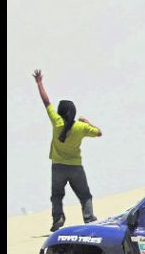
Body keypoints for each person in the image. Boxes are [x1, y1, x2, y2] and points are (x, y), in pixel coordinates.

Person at [33, 69, 101, 232]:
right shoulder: (80, 127)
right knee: (84, 195)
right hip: (76, 167)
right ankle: (89, 218)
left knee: (56, 196)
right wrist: (88, 122)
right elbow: (99, 133)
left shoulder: (56, 122)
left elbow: (46, 101)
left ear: (60, 112)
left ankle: (58, 218)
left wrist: (39, 83)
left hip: (58, 167)